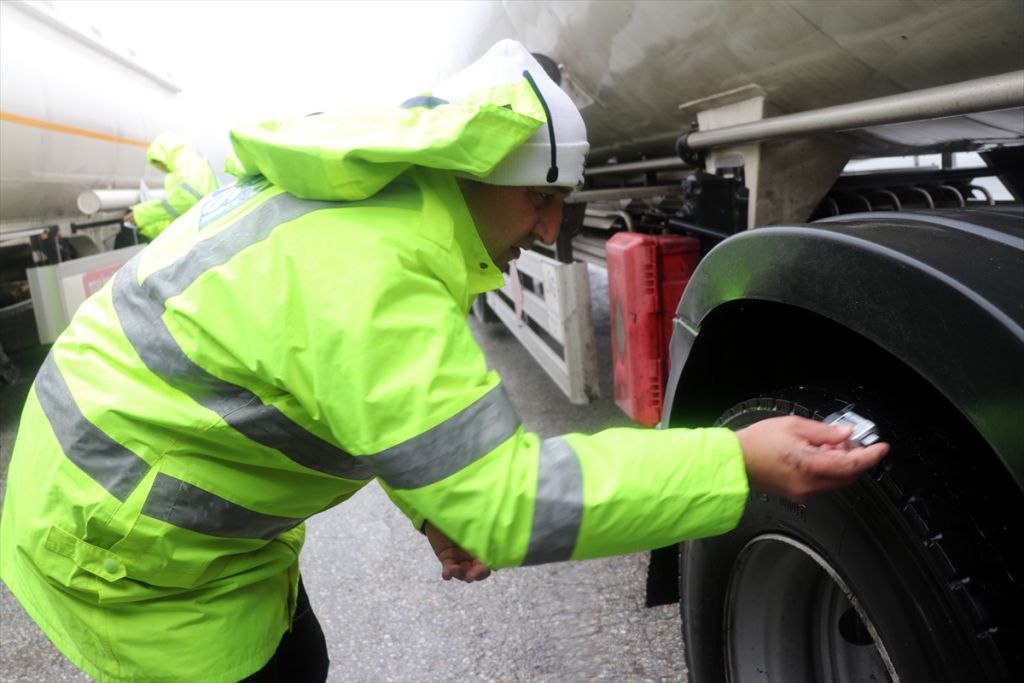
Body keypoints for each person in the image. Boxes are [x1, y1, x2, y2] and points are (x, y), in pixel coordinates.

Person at [0, 40, 888, 683]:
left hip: (159, 517)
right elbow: (506, 503)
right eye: (540, 199)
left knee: (297, 654)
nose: (549, 229)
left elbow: (340, 388)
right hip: (132, 556)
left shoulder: (381, 219)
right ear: (468, 167)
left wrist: (429, 502)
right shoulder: (374, 273)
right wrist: (732, 460)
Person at [124, 132, 219, 240]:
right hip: (200, 236)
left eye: (157, 161)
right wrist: (142, 224)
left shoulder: (188, 161)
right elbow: (173, 224)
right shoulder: (176, 172)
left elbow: (187, 199)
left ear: (164, 152)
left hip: (204, 236)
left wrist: (142, 213)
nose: (159, 166)